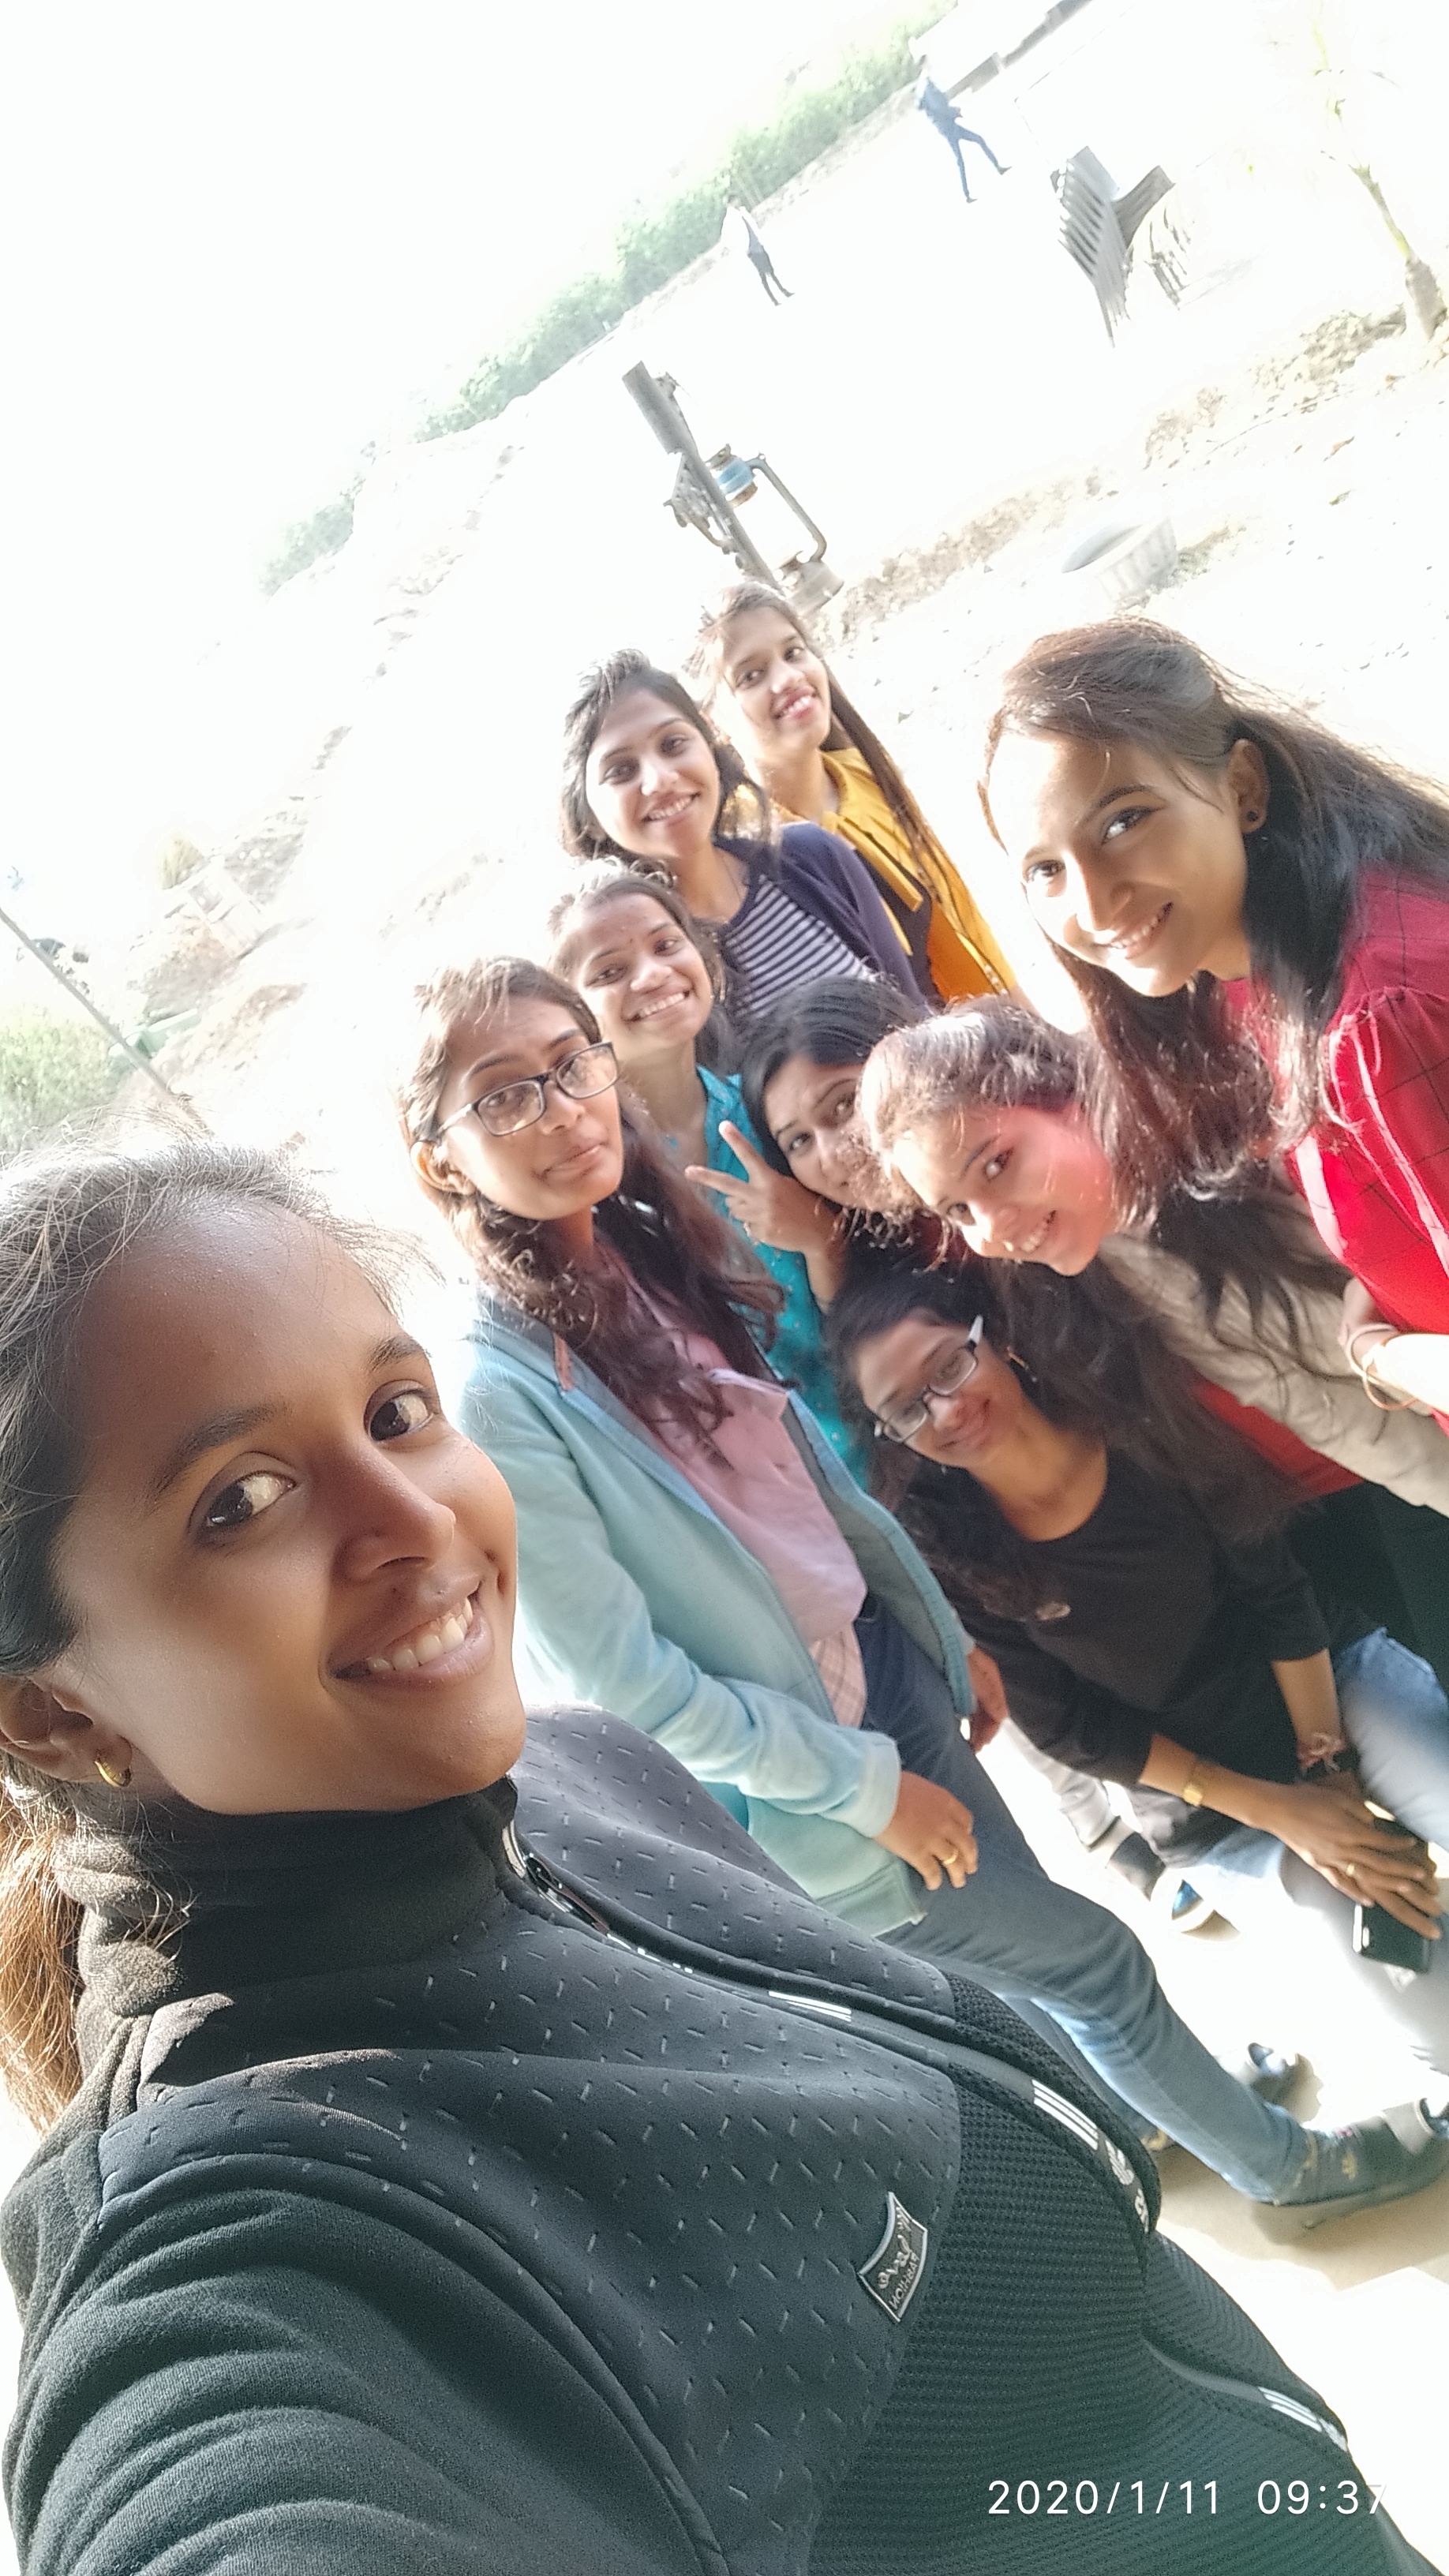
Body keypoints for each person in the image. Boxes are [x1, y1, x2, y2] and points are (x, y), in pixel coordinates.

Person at [0, 1141, 1440, 2576]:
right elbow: (222, 2475)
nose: (418, 1519)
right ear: (52, 1712)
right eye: (241, 1499)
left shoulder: (586, 1778)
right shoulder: (261, 2237)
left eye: (396, 1412)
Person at [396, 949, 1449, 2214]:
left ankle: (1135, 2108)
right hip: (813, 1782)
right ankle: (1286, 2174)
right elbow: (629, 1689)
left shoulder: (636, 1259)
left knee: (1031, 1964)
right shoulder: (501, 1392)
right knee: (1096, 1966)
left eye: (573, 1064)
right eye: (505, 1095)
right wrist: (867, 1791)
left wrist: (936, 1638)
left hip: (884, 1681)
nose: (563, 1109)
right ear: (441, 1159)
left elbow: (802, 1488)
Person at [832, 1255, 1449, 2084]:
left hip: (1323, 1683)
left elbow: (1275, 1586)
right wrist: (1287, 1813)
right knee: (1422, 2002)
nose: (945, 1408)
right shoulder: (949, 1553)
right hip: (1207, 1803)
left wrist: (1326, 1772)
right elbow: (1076, 1732)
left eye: (949, 1364)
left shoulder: (1131, 1416)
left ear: (996, 1338)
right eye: (907, 1408)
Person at [979, 619, 1449, 1421]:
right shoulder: (1269, 957)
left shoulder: (1374, 1022)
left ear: (1243, 787)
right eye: (1046, 868)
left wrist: (1379, 1356)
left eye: (1123, 821)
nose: (1094, 905)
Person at [545, 861, 863, 1471]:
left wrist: (821, 1241)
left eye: (667, 945)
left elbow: (881, 1300)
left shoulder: (776, 1116)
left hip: (896, 1440)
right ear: (572, 1024)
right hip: (765, 1494)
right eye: (610, 971)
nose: (653, 974)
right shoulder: (597, 1194)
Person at [690, 579, 1013, 1003]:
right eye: (752, 676)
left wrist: (1030, 1021)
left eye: (793, 653)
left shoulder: (862, 775)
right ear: (712, 722)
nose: (788, 677)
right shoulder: (741, 858)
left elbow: (962, 921)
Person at [560, 650, 924, 1024]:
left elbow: (916, 1019)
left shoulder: (812, 858)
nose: (660, 780)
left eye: (673, 744)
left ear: (710, 747)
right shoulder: (636, 975)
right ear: (587, 815)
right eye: (621, 770)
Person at [914, 69, 1008, 201]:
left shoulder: (923, 90)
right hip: (949, 127)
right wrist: (956, 112)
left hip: (946, 127)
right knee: (971, 147)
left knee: (964, 156)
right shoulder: (928, 88)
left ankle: (968, 193)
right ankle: (990, 174)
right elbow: (940, 108)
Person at [722, 192, 792, 302]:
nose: (737, 201)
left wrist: (760, 238)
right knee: (763, 274)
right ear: (730, 204)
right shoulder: (730, 219)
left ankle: (784, 292)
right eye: (734, 200)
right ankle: (773, 299)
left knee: (770, 270)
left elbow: (753, 226)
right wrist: (742, 247)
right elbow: (726, 239)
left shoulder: (742, 211)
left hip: (758, 244)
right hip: (751, 249)